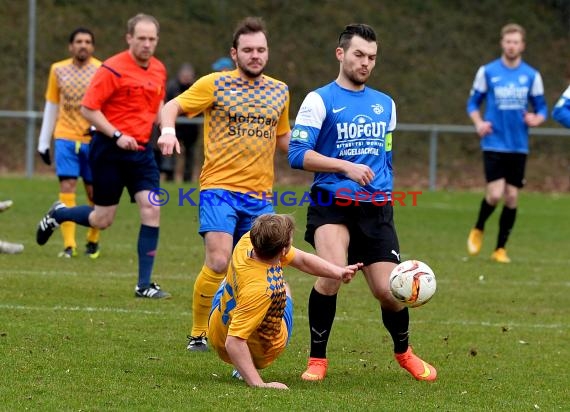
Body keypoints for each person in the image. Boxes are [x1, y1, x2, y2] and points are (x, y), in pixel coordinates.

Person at [288, 23, 437, 382]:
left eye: (371, 57)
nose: (365, 62)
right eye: (358, 54)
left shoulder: (385, 104)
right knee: (331, 274)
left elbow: (386, 155)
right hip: (332, 203)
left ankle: (404, 352)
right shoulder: (319, 99)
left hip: (376, 209)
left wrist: (384, 184)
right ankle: (317, 360)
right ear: (341, 54)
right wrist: (344, 167)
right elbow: (296, 153)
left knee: (390, 291)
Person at [159, 16, 291, 350]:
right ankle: (198, 332)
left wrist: (322, 161)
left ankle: (249, 339)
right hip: (219, 190)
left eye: (261, 49)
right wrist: (168, 130)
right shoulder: (214, 84)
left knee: (262, 272)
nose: (255, 55)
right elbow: (171, 106)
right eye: (248, 50)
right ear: (235, 53)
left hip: (260, 197)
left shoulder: (280, 91)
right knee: (219, 260)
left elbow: (285, 139)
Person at [36, 13, 170, 299]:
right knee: (102, 219)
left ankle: (144, 284)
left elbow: (158, 104)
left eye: (152, 39)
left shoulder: (159, 69)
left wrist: (166, 130)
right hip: (109, 150)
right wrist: (118, 135)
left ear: (157, 40)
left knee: (152, 207)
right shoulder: (112, 69)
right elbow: (88, 109)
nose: (147, 44)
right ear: (129, 38)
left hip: (142, 152)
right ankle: (59, 214)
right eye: (141, 38)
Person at [208, 214, 361, 389]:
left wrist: (338, 272)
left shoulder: (246, 241)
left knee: (226, 284)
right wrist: (259, 384)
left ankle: (241, 358)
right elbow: (234, 342)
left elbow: (301, 259)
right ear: (283, 251)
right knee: (283, 289)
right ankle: (246, 366)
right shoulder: (264, 289)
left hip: (216, 329)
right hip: (257, 350)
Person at [466, 23, 547, 263]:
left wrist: (536, 118)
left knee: (512, 197)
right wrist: (479, 122)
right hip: (493, 142)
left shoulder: (532, 75)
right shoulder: (488, 72)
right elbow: (472, 104)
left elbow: (542, 108)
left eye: (516, 42)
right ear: (503, 43)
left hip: (518, 144)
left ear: (522, 45)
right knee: (494, 194)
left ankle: (500, 249)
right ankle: (479, 226)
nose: (512, 46)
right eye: (508, 41)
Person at [37, 27, 102, 259]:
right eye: (78, 41)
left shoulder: (101, 70)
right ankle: (69, 244)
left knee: (95, 193)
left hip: (92, 139)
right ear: (70, 46)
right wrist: (43, 141)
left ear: (92, 47)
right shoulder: (58, 70)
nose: (83, 45)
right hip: (65, 137)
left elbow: (106, 105)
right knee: (67, 188)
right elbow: (52, 105)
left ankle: (93, 240)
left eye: (87, 41)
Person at [161, 63, 200, 182]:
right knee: (170, 151)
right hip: (176, 127)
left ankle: (187, 178)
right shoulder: (172, 86)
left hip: (192, 128)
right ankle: (169, 176)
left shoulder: (196, 87)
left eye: (189, 76)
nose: (186, 78)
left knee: (190, 152)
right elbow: (166, 104)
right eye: (184, 76)